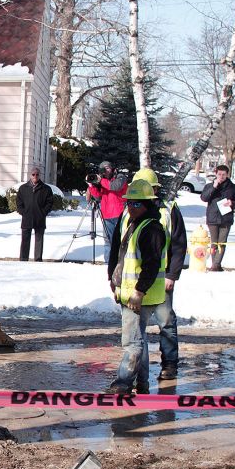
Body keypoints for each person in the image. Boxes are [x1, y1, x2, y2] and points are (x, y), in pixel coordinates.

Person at [107, 178, 168, 395]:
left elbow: (151, 265)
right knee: (138, 340)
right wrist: (115, 283)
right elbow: (120, 258)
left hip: (140, 295)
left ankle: (123, 382)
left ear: (147, 204)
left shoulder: (151, 229)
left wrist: (138, 292)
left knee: (132, 341)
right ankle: (141, 383)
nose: (130, 207)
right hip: (133, 293)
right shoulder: (136, 224)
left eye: (135, 204)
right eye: (128, 203)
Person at [133, 169, 186, 380]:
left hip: (162, 278)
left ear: (156, 189)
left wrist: (172, 275)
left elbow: (179, 245)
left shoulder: (168, 210)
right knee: (137, 328)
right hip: (137, 279)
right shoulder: (132, 209)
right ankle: (139, 372)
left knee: (166, 323)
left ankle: (170, 364)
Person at [199, 164, 235, 271]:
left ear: (227, 175)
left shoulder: (233, 187)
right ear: (216, 174)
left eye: (224, 174)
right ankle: (215, 264)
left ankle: (216, 264)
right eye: (219, 174)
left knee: (221, 242)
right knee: (214, 243)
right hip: (212, 218)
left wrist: (231, 203)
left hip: (226, 219)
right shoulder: (210, 186)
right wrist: (214, 187)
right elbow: (204, 198)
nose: (221, 176)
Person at [86, 161, 127, 254]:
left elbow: (115, 187)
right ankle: (108, 264)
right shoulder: (102, 181)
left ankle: (120, 263)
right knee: (108, 241)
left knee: (120, 241)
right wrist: (91, 186)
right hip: (106, 216)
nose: (106, 171)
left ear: (112, 168)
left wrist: (100, 180)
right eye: (103, 169)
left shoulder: (120, 177)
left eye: (107, 168)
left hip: (119, 214)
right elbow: (98, 197)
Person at [16, 167, 54, 261]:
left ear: (39, 175)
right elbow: (19, 202)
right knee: (25, 240)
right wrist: (23, 212)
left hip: (39, 218)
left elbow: (49, 203)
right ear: (30, 175)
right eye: (33, 174)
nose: (35, 176)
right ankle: (23, 259)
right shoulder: (23, 188)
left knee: (39, 240)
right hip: (27, 218)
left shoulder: (46, 189)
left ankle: (37, 260)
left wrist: (43, 212)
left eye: (37, 174)